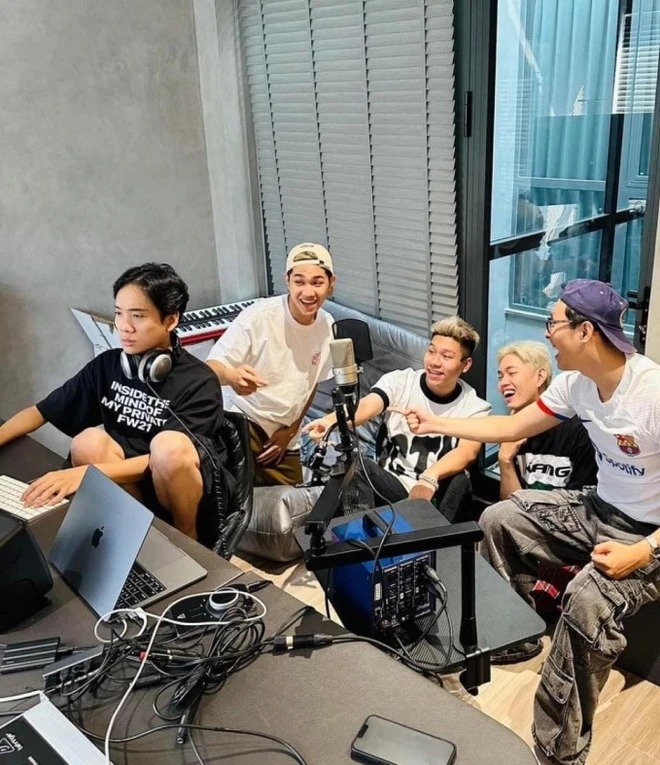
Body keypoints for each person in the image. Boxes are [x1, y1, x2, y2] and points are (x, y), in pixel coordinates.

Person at [394, 279, 660, 765]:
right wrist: (436, 423)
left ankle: (560, 755)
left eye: (553, 324)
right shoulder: (577, 385)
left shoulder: (652, 393)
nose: (547, 333)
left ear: (585, 331)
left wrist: (642, 552)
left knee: (586, 603)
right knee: (501, 518)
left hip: (648, 536)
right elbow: (512, 426)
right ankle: (513, 636)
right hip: (599, 507)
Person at [0, 263, 228, 541]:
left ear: (170, 320)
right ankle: (138, 533)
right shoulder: (108, 365)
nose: (124, 327)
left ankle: (188, 541)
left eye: (138, 316)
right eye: (119, 313)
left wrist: (86, 474)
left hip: (178, 495)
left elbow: (174, 459)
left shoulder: (199, 381)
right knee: (87, 441)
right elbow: (41, 412)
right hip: (129, 489)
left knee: (167, 446)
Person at [304, 316, 491, 518]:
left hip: (435, 495)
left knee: (460, 481)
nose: (435, 362)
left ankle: (435, 535)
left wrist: (429, 478)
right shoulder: (401, 381)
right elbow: (367, 405)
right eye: (431, 352)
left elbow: (467, 453)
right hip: (392, 489)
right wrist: (330, 422)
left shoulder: (474, 407)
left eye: (446, 356)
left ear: (466, 365)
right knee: (357, 465)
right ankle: (357, 534)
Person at [206, 243, 336, 487]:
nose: (308, 292)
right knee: (236, 498)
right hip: (244, 421)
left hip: (284, 434)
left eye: (317, 282)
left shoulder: (328, 327)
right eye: (299, 282)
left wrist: (290, 431)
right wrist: (232, 376)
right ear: (287, 281)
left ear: (331, 284)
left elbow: (312, 384)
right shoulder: (259, 316)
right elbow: (211, 368)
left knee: (296, 503)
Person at [496, 340, 597, 499]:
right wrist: (505, 460)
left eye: (512, 373)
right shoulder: (511, 430)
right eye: (500, 377)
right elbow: (509, 504)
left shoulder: (579, 430)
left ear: (540, 377)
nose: (503, 383)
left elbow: (582, 505)